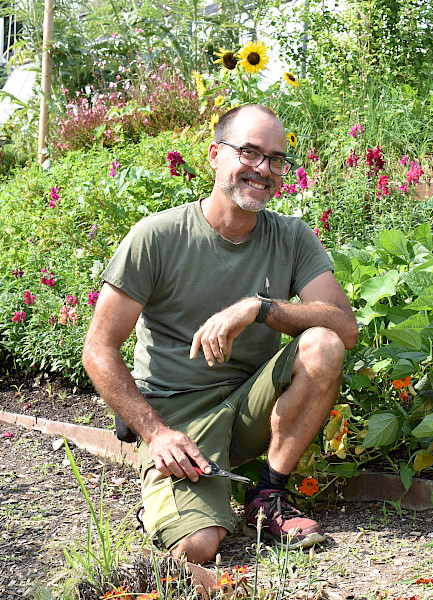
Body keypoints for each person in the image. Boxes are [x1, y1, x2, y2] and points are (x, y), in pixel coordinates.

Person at [82, 104, 359, 564]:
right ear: (214, 155)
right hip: (179, 416)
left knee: (323, 344)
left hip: (251, 402)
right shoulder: (157, 237)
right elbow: (98, 349)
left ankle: (268, 495)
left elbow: (344, 327)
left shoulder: (290, 236)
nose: (263, 168)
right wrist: (155, 433)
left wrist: (261, 308)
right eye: (249, 152)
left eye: (275, 159)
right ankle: (168, 499)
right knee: (197, 547)